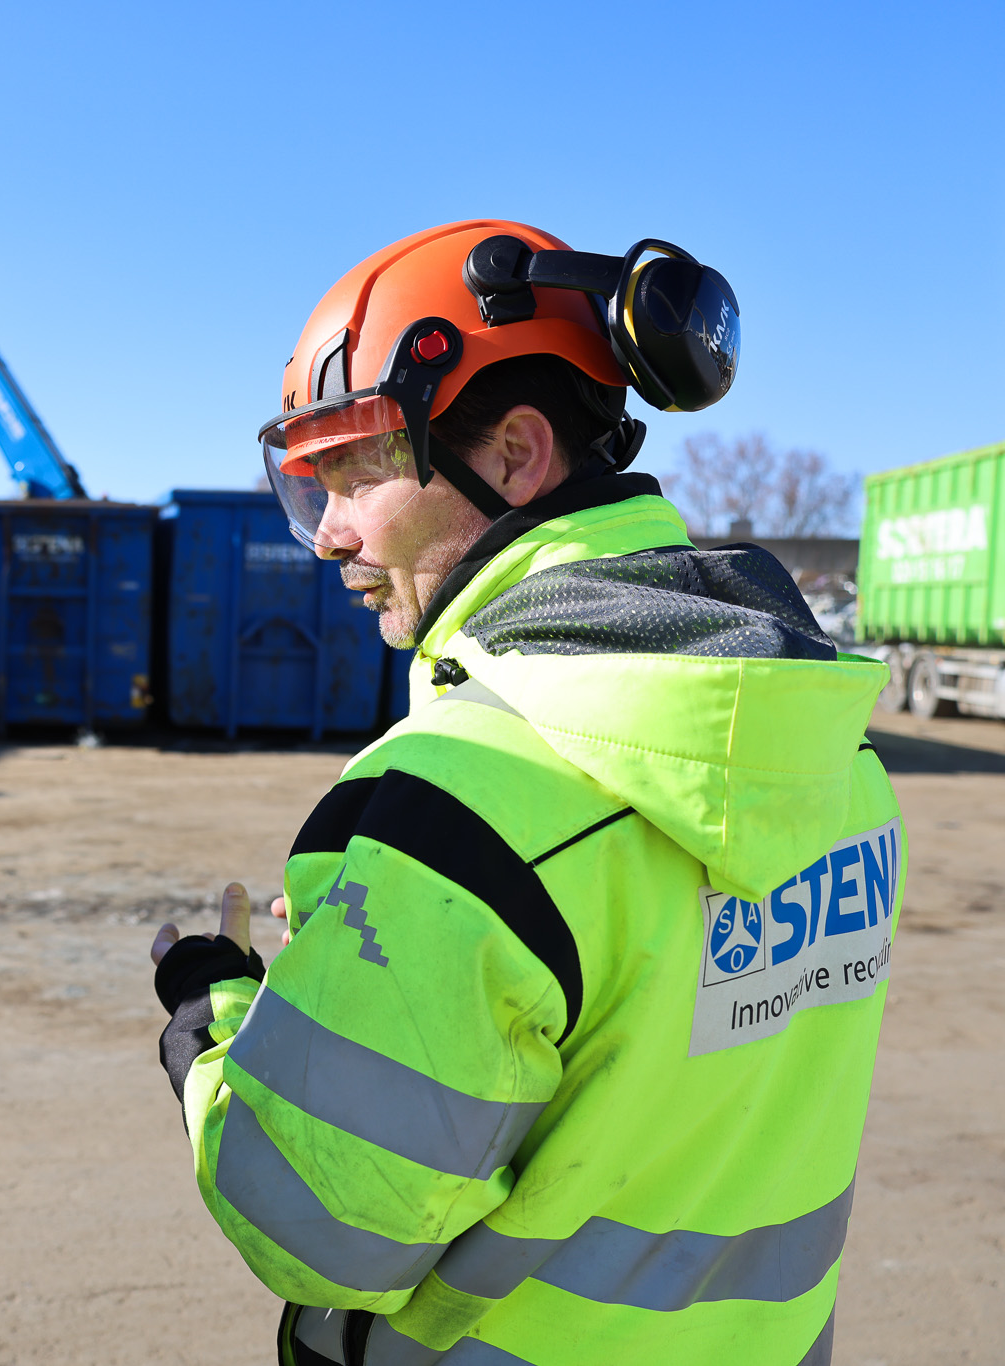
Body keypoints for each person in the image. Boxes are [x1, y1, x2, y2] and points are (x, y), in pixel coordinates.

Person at [150, 220, 899, 1366]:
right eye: (312, 489)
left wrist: (217, 1026)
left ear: (512, 454)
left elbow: (317, 1226)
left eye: (353, 469)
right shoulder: (835, 761)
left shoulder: (457, 810)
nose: (329, 535)